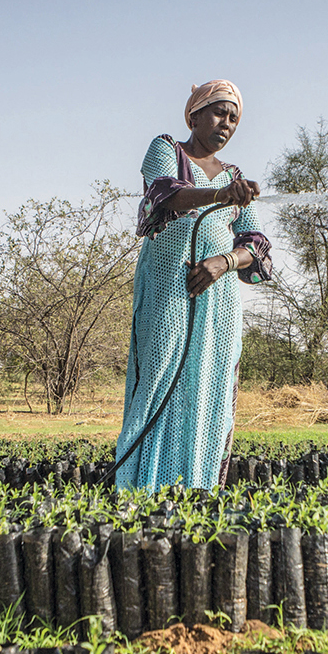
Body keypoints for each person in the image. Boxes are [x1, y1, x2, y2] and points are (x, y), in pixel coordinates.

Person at [113, 80, 273, 490]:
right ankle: (140, 485)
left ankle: (197, 485)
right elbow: (167, 194)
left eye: (234, 118)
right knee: (160, 376)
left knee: (208, 382)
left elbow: (255, 244)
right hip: (169, 285)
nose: (227, 124)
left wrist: (225, 262)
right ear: (195, 114)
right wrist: (222, 195)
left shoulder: (235, 176)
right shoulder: (167, 149)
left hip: (217, 298)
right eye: (220, 112)